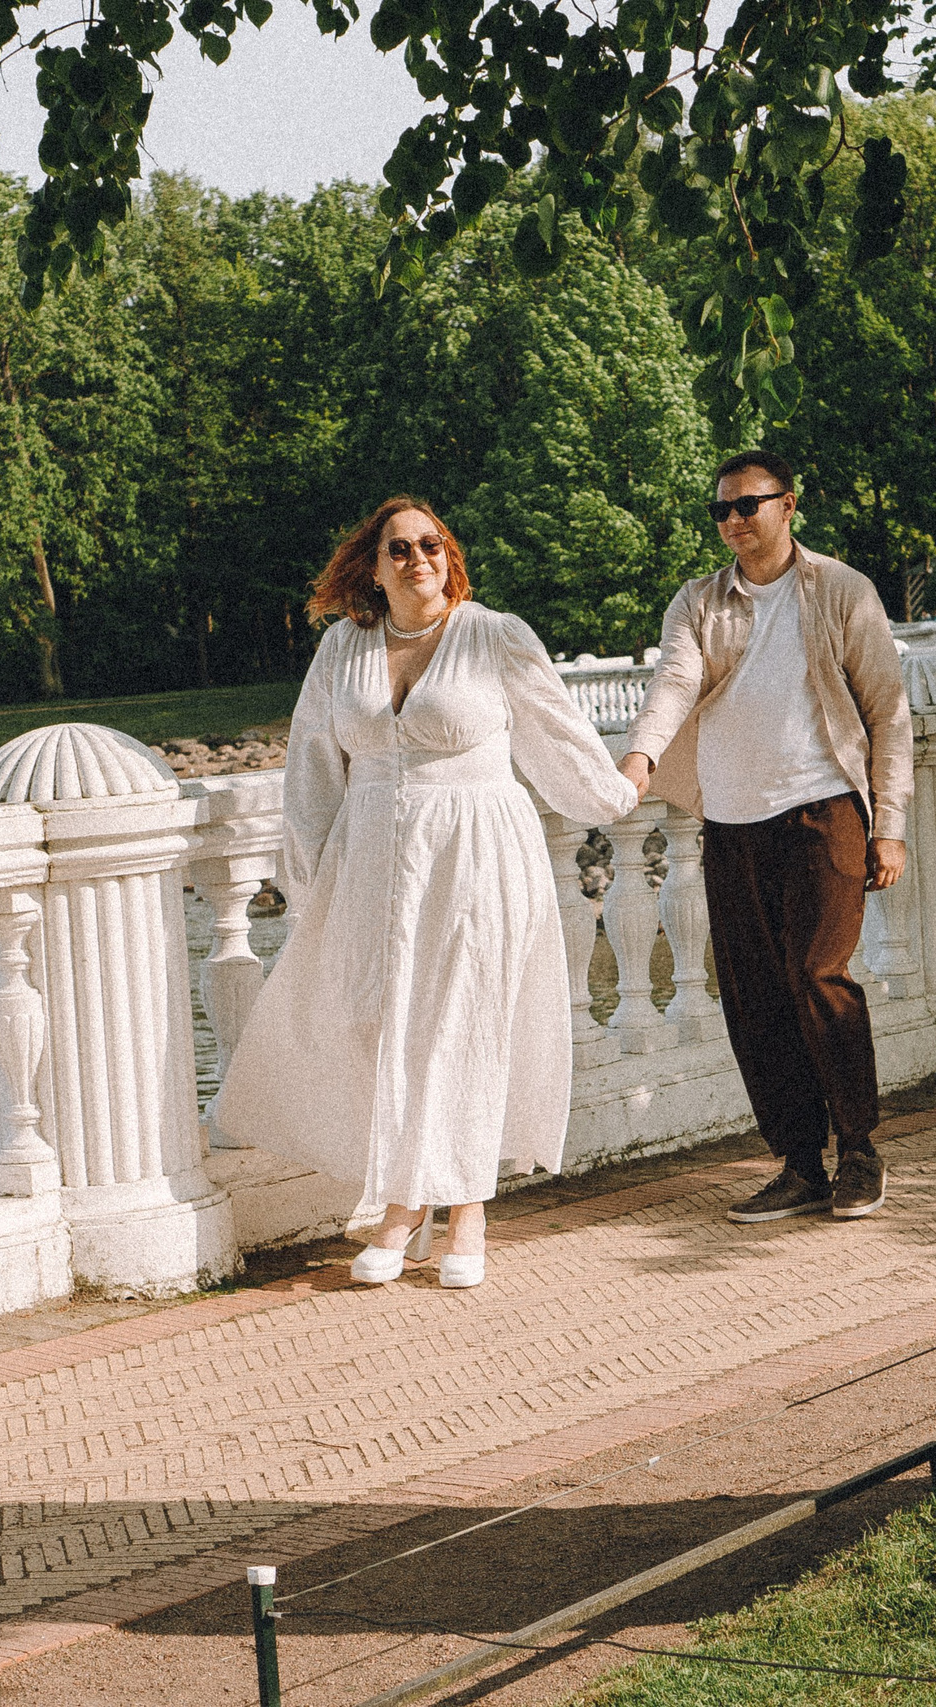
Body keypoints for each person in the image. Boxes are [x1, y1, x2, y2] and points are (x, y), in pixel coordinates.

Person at [214, 497, 637, 1288]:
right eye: (399, 549)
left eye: (431, 545)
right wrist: (310, 878)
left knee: (464, 1021)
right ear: (373, 567)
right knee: (385, 1026)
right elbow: (311, 764)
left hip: (477, 851)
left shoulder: (494, 635)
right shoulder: (345, 646)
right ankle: (407, 1199)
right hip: (372, 856)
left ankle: (460, 1208)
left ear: (450, 555)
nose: (418, 561)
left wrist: (616, 791)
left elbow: (557, 735)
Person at [619, 450, 914, 1223]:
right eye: (721, 510)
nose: (734, 521)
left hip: (824, 811)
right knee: (753, 997)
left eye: (749, 505)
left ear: (789, 505)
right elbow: (675, 681)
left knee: (819, 974)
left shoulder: (842, 589)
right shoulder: (697, 601)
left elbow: (887, 711)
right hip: (732, 821)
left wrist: (891, 826)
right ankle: (798, 1163)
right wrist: (640, 753)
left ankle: (859, 1151)